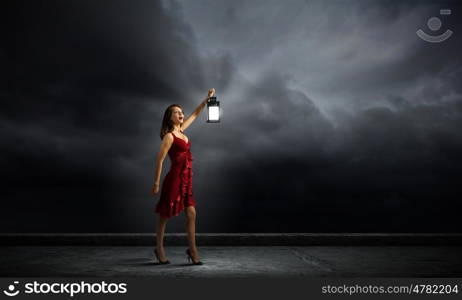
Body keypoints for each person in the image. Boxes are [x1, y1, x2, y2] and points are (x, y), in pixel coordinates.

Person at [151, 88, 216, 265]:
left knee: (192, 213)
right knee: (165, 215)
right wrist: (156, 183)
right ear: (169, 117)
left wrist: (207, 99)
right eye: (176, 112)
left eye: (181, 112)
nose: (181, 114)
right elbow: (160, 160)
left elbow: (195, 114)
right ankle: (159, 248)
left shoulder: (182, 131)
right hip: (174, 179)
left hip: (187, 180)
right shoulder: (169, 137)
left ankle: (193, 250)